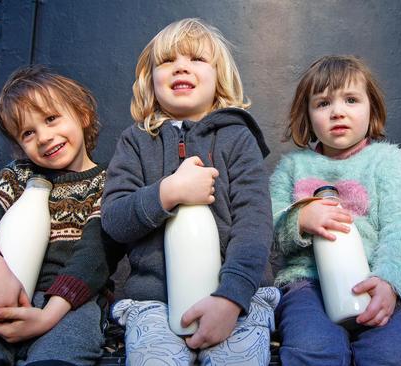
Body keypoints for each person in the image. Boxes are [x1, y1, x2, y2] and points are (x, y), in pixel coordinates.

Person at [101, 18, 279, 366]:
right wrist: (168, 192)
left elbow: (254, 225)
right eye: (167, 61)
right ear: (150, 80)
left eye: (197, 59)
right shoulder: (136, 142)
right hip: (155, 302)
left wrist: (231, 299)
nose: (181, 66)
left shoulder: (238, 138)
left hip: (240, 298)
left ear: (220, 78)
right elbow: (114, 221)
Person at [0, 65, 122, 366]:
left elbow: (95, 255)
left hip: (69, 307)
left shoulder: (108, 183)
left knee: (58, 358)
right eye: (28, 132)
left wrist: (47, 316)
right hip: (0, 300)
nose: (44, 137)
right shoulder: (17, 176)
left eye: (51, 119)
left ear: (82, 115)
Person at [270, 55, 401, 366]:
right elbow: (270, 227)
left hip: (377, 281)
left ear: (372, 108)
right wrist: (299, 219)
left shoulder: (388, 161)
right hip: (309, 283)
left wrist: (391, 283)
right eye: (323, 104)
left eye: (351, 100)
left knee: (397, 356)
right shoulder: (292, 166)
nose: (338, 112)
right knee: (313, 350)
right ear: (307, 114)